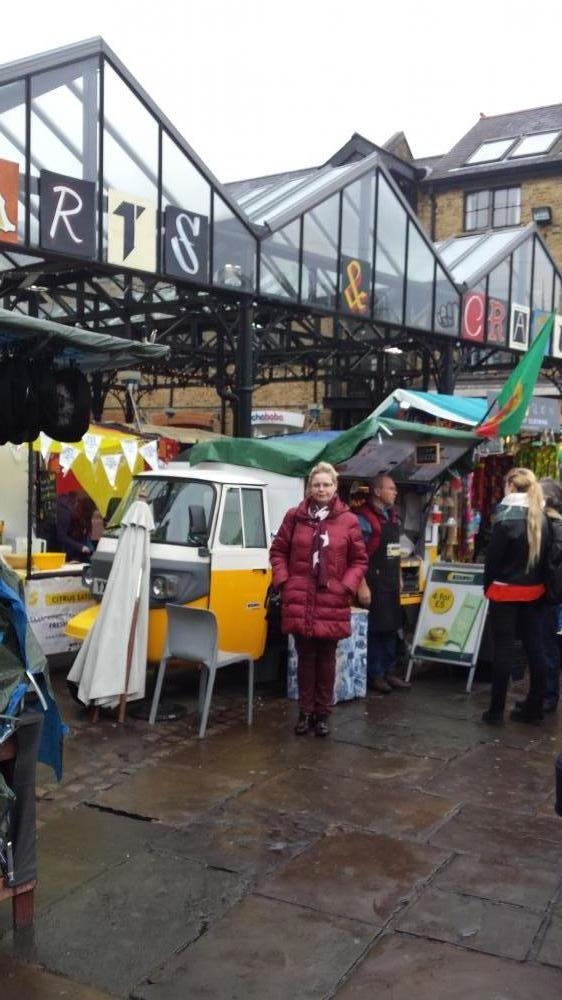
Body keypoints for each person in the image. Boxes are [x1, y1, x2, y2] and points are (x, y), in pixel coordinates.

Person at [269, 462, 368, 738]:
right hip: (300, 597)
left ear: (335, 487)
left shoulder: (348, 521)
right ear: (309, 487)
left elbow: (359, 560)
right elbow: (278, 552)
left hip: (332, 598)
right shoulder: (295, 517)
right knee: (305, 659)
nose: (321, 489)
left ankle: (322, 714)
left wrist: (346, 587)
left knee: (326, 660)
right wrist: (284, 582)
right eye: (316, 484)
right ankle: (305, 712)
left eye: (326, 484)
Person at [482, 467, 548, 726]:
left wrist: (487, 587)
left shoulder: (506, 518)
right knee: (535, 648)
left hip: (504, 592)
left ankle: (495, 712)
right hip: (535, 593)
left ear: (510, 485)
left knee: (503, 651)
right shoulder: (541, 517)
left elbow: (492, 561)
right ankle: (535, 708)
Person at [355, 474, 411, 693]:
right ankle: (375, 674)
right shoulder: (363, 519)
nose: (395, 492)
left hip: (391, 581)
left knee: (391, 626)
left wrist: (399, 576)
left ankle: (389, 671)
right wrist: (362, 585)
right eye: (391, 488)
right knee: (376, 628)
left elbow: (395, 552)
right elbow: (356, 555)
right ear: (377, 492)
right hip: (373, 582)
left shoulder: (392, 516)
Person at [537, 477, 562, 713]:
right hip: (550, 596)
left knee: (548, 647)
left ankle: (548, 695)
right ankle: (542, 694)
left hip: (551, 597)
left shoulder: (553, 527)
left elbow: (552, 565)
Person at [56, 491, 92, 561]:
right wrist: (80, 547)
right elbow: (61, 536)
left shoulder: (73, 506)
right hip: (68, 550)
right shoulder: (65, 510)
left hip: (75, 546)